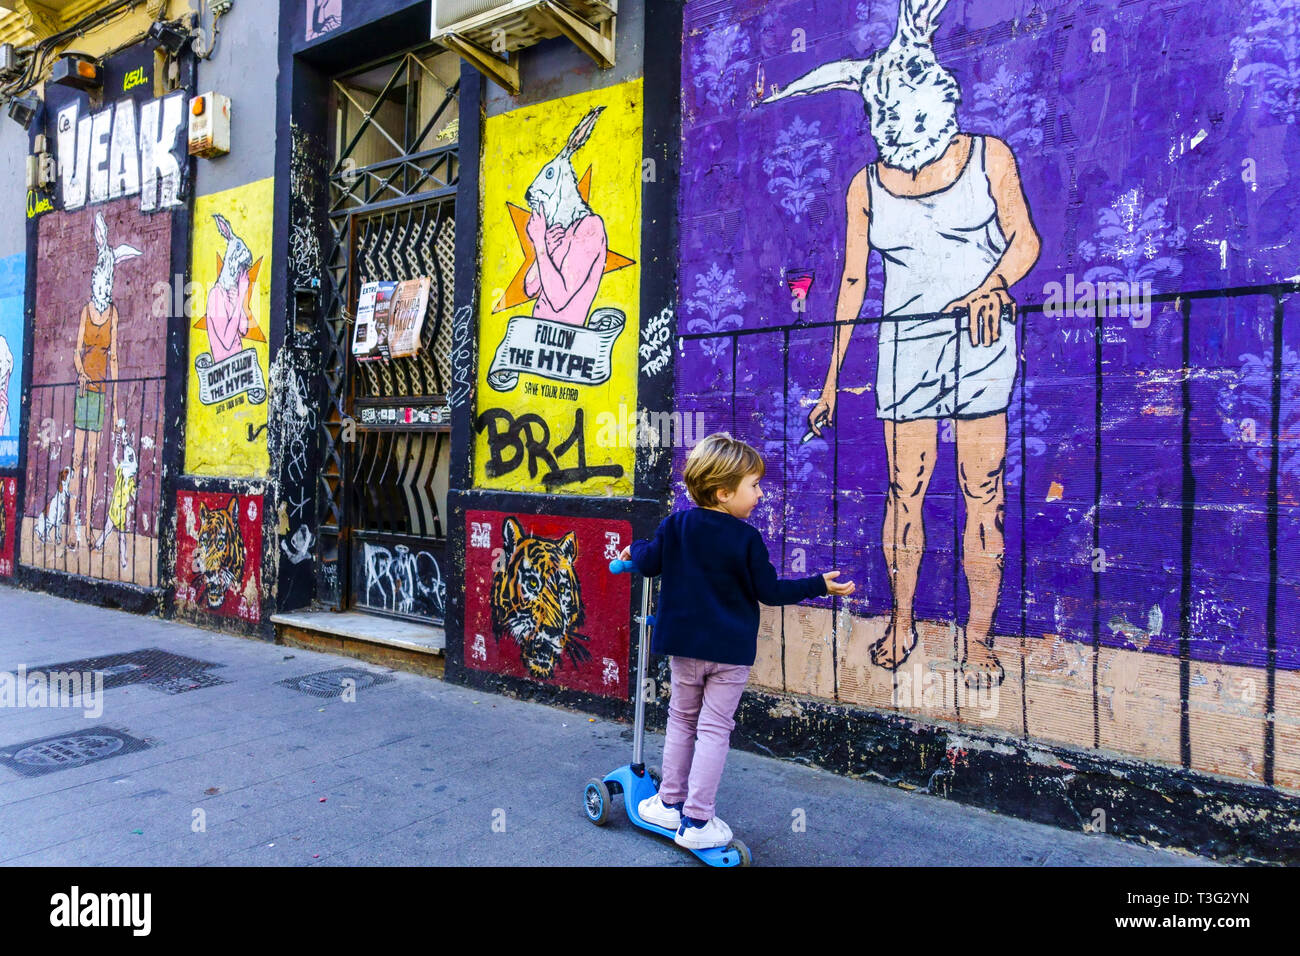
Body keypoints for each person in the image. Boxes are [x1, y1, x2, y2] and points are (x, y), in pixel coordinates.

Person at [619, 432, 855, 849]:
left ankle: (669, 802)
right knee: (713, 730)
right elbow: (771, 592)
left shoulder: (676, 525)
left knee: (681, 719)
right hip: (729, 655)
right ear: (724, 492)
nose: (760, 494)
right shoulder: (747, 540)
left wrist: (632, 550)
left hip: (684, 648)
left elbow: (649, 562)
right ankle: (696, 821)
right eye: (755, 485)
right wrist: (818, 584)